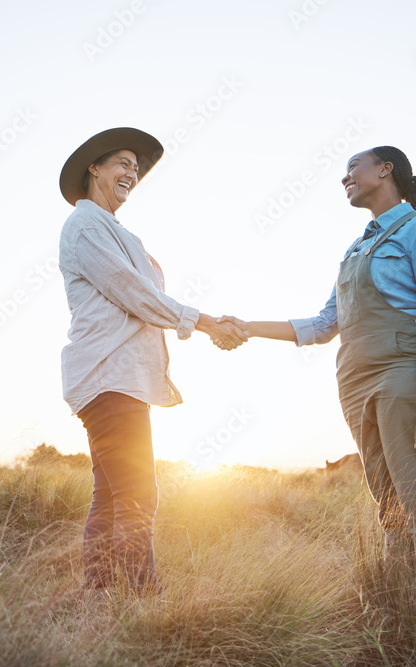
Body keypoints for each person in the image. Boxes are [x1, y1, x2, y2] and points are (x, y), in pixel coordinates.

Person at [230, 146, 416, 568]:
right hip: (355, 386)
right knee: (389, 504)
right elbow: (323, 326)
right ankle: (401, 600)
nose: (345, 177)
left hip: (403, 377)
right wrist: (247, 327)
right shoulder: (355, 250)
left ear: (385, 169)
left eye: (353, 167)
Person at [57, 127, 247, 597]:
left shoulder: (122, 233)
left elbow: (144, 296)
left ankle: (101, 596)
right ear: (94, 168)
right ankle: (143, 598)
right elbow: (135, 293)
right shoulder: (84, 226)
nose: (132, 173)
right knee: (139, 494)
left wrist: (208, 323)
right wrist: (205, 323)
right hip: (109, 376)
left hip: (123, 379)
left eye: (136, 169)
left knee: (112, 495)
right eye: (122, 163)